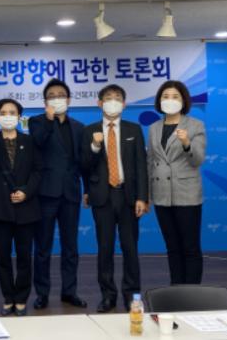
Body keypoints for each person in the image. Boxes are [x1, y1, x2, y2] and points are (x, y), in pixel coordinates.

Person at [80, 84, 148, 313]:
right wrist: (95, 146)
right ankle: (108, 295)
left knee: (130, 248)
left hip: (128, 196)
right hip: (102, 197)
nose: (113, 102)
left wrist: (142, 197)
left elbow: (141, 165)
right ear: (99, 103)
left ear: (124, 104)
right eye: (108, 98)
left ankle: (132, 295)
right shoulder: (89, 131)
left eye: (117, 98)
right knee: (105, 248)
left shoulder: (134, 129)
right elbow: (84, 166)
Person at [29, 79, 87, 310]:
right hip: (45, 193)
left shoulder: (79, 127)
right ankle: (42, 293)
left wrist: (87, 190)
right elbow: (38, 142)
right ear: (45, 102)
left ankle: (69, 291)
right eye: (51, 96)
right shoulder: (36, 122)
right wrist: (48, 119)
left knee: (70, 247)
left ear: (69, 99)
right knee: (42, 248)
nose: (56, 99)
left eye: (60, 95)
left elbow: (83, 162)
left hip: (71, 193)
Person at [0, 98, 41, 316]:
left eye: (12, 112)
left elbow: (38, 171)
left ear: (19, 116)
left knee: (25, 256)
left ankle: (21, 298)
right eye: (3, 112)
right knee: (3, 257)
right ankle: (8, 297)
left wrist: (26, 192)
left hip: (27, 206)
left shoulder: (29, 140)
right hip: (0, 207)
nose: (8, 116)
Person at [147, 80, 206, 284]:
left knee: (190, 247)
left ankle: (192, 292)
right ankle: (177, 289)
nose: (170, 100)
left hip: (186, 194)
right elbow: (150, 162)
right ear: (159, 100)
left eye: (175, 96)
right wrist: (147, 196)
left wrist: (187, 143)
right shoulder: (153, 128)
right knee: (172, 247)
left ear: (183, 100)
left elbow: (198, 160)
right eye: (165, 96)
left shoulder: (195, 125)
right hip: (161, 194)